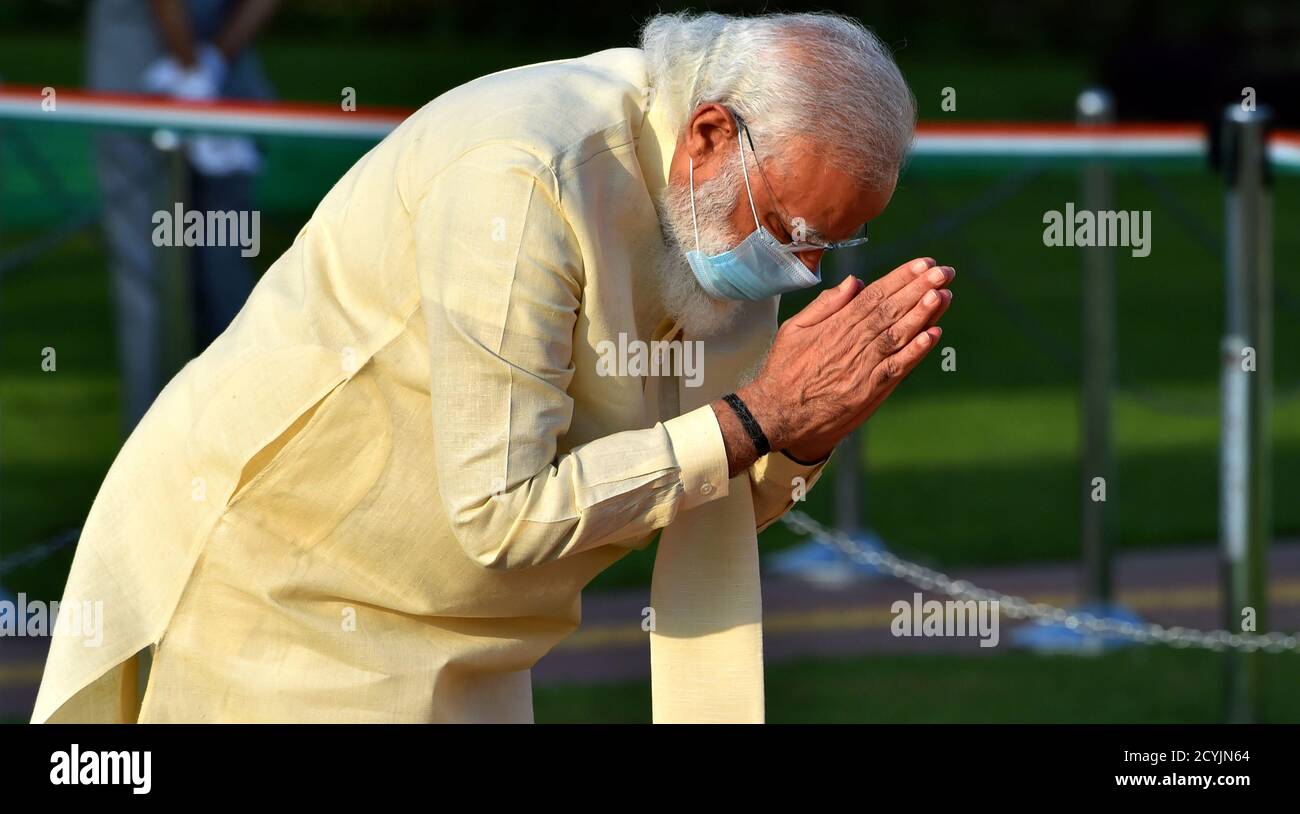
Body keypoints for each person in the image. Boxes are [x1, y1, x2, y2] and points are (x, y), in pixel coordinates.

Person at [34, 11, 952, 724]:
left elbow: (693, 484)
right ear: (709, 132)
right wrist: (758, 418)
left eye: (834, 243)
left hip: (474, 638)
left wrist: (800, 436)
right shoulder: (526, 174)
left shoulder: (725, 205)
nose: (803, 271)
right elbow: (503, 513)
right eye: (798, 233)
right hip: (287, 593)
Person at [86, 0, 279, 430]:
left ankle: (231, 449)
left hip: (225, 93)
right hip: (137, 91)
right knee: (150, 279)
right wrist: (199, 70)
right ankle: (152, 461)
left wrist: (203, 69)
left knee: (222, 281)